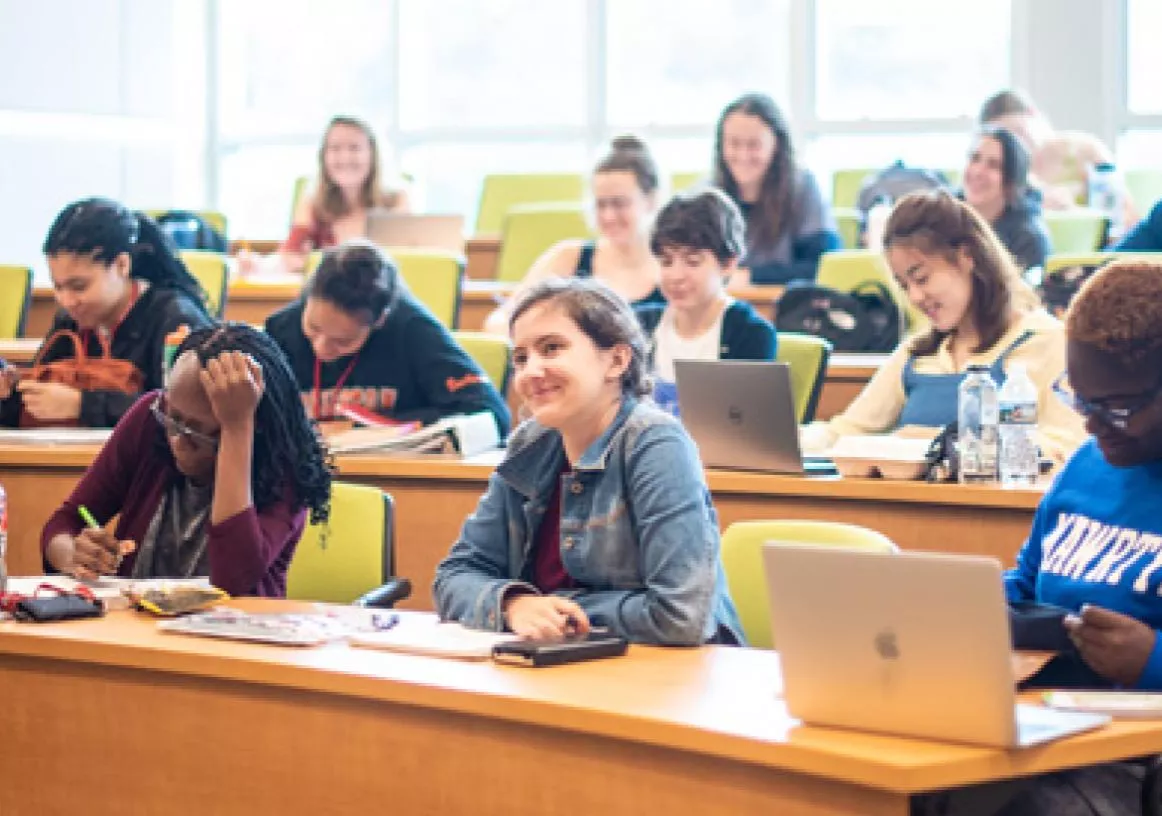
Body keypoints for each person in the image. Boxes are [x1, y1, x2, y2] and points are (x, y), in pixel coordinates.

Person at [916, 260, 1162, 814]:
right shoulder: (1088, 466)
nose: (1093, 426)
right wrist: (966, 600)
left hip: (1132, 754)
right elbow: (1027, 581)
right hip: (1044, 722)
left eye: (1118, 407)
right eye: (1081, 399)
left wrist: (1152, 658)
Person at [434, 277, 744, 646]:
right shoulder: (530, 443)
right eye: (520, 358)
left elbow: (682, 615)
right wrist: (514, 604)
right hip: (560, 665)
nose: (531, 370)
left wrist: (559, 608)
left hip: (670, 678)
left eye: (551, 349)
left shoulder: (656, 444)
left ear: (616, 360)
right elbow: (454, 575)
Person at [40, 324, 332, 597]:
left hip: (235, 640)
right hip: (136, 629)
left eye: (196, 432)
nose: (177, 441)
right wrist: (73, 554)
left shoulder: (284, 462)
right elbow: (62, 525)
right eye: (173, 419)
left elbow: (233, 580)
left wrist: (236, 429)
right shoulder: (149, 419)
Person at [802, 190, 1086, 464]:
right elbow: (845, 431)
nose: (914, 297)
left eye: (922, 278)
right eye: (904, 285)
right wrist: (791, 439)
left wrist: (937, 443)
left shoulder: (1047, 341)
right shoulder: (918, 352)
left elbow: (1065, 447)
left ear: (966, 257)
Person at [0, 198, 214, 428]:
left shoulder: (174, 318)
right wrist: (11, 390)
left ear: (122, 265)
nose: (67, 300)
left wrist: (83, 405)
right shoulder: (71, 320)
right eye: (58, 287)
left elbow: (184, 413)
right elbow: (35, 393)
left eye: (79, 286)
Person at [265, 240, 510, 435]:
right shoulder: (281, 329)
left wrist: (383, 427)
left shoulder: (413, 329)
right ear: (305, 298)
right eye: (313, 328)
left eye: (343, 341)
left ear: (380, 321)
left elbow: (490, 413)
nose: (322, 347)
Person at [483, 135, 664, 336]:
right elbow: (500, 319)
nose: (609, 216)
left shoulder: (671, 265)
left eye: (619, 203)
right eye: (600, 204)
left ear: (651, 200)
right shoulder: (568, 256)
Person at [634, 188, 777, 412]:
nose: (676, 276)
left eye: (692, 262)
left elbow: (746, 427)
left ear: (728, 263)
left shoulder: (750, 333)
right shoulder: (640, 325)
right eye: (666, 262)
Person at [712, 93, 840, 285]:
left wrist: (750, 276)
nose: (743, 155)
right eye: (734, 144)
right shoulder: (708, 195)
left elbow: (822, 266)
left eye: (754, 145)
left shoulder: (803, 188)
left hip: (790, 308)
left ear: (777, 145)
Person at [979, 89, 1137, 224]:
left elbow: (1125, 213)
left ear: (1032, 114)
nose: (1014, 145)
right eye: (1004, 142)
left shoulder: (1086, 149)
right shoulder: (1002, 172)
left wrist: (1075, 200)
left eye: (1017, 132)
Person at [279, 115, 410, 274]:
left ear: (372, 155)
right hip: (330, 296)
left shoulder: (395, 201)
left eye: (354, 148)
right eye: (335, 148)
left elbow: (408, 262)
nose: (345, 158)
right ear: (324, 157)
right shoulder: (312, 204)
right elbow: (288, 256)